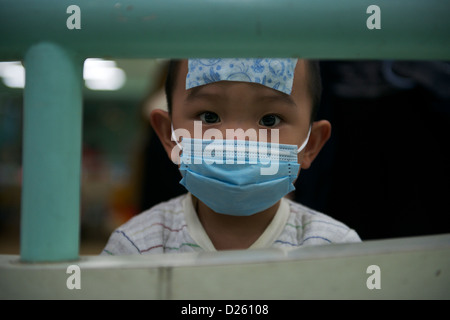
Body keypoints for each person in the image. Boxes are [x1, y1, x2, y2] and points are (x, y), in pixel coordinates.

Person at [101, 58, 360, 255]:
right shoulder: (134, 246)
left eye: (269, 120)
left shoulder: (333, 248)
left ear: (310, 145)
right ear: (170, 136)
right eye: (209, 117)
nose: (236, 140)